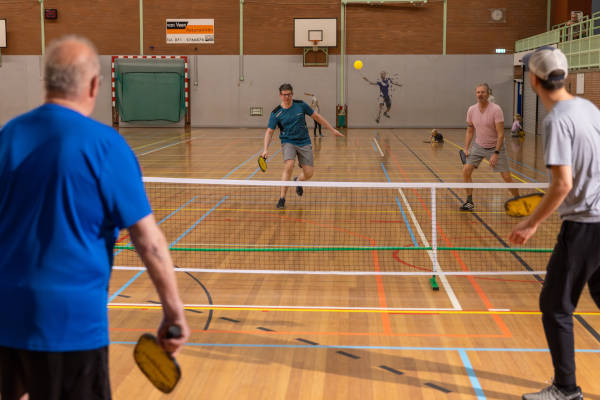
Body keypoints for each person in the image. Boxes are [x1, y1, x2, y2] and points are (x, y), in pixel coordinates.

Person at [0, 35, 190, 400]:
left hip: (5, 317)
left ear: (47, 81)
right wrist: (173, 311)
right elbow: (148, 241)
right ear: (93, 85)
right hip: (72, 326)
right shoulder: (106, 145)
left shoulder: (7, 137)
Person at [510, 46, 600, 400]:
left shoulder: (557, 120)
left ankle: (566, 389)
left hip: (585, 225)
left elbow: (561, 184)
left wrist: (531, 223)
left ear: (533, 79)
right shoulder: (589, 108)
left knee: (555, 306)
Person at [262, 83, 344, 209]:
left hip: (304, 141)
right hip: (288, 141)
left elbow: (317, 116)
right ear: (280, 95)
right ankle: (282, 198)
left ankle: (298, 181)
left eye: (289, 94)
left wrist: (332, 130)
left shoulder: (301, 105)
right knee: (289, 165)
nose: (287, 97)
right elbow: (269, 132)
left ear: (292, 94)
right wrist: (265, 149)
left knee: (309, 173)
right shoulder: (276, 113)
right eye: (284, 95)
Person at [460, 83, 519, 211]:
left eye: (483, 92)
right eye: (478, 92)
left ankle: (517, 200)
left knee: (507, 177)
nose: (480, 94)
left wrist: (496, 153)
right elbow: (470, 130)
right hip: (478, 146)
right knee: (466, 171)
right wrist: (466, 148)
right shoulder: (471, 110)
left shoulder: (496, 110)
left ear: (488, 94)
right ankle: (469, 201)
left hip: (495, 146)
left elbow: (501, 134)